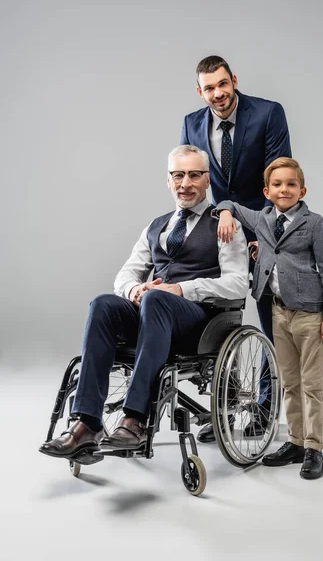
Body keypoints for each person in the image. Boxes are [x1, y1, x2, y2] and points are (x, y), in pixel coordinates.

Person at [39, 145, 249, 460]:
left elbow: (236, 283)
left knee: (157, 300)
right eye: (178, 175)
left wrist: (183, 290)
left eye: (194, 175)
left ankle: (134, 419)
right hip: (153, 314)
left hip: (199, 322)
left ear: (207, 181)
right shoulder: (157, 226)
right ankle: (87, 424)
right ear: (168, 180)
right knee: (103, 305)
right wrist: (135, 290)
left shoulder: (223, 223)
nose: (185, 183)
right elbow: (125, 275)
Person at [180, 55, 292, 442]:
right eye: (209, 88)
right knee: (217, 323)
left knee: (271, 326)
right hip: (218, 239)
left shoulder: (268, 114)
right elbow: (193, 183)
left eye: (222, 85)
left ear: (234, 81)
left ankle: (263, 410)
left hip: (262, 235)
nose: (217, 94)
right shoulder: (191, 123)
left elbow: (277, 178)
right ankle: (223, 411)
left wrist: (259, 231)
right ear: (200, 91)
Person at [215, 157, 323, 479]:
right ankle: (295, 442)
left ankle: (314, 447)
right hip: (278, 310)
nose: (284, 189)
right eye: (277, 185)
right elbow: (227, 201)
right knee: (289, 382)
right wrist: (227, 213)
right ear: (267, 191)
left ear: (302, 190)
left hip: (310, 313)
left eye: (291, 184)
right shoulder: (262, 218)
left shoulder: (313, 223)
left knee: (312, 383)